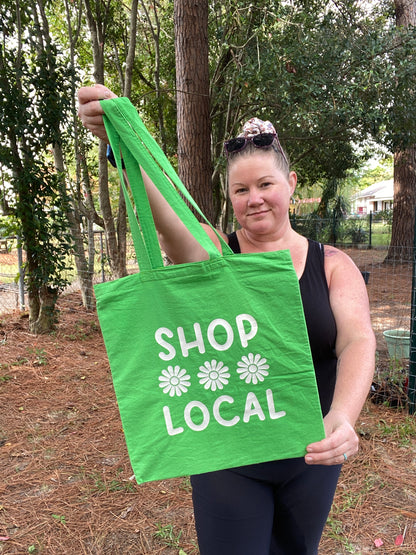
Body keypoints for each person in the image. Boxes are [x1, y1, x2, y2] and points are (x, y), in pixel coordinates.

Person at [78, 84, 376, 555]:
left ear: (292, 184)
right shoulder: (218, 253)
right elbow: (173, 228)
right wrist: (122, 144)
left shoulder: (332, 264)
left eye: (265, 185)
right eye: (241, 190)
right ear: (229, 196)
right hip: (229, 454)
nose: (254, 199)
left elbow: (356, 341)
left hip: (310, 454)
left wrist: (342, 415)